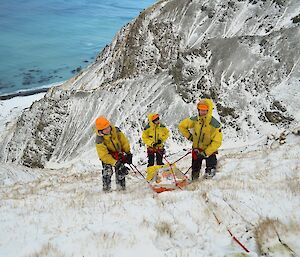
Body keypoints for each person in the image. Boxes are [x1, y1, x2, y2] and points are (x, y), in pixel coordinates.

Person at [178, 99, 223, 179]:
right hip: (197, 150)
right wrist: (190, 137)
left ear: (208, 110)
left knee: (210, 172)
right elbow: (181, 126)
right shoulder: (195, 120)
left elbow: (217, 142)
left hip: (209, 152)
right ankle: (194, 186)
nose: (202, 112)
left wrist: (205, 153)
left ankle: (207, 187)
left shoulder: (215, 125)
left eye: (204, 110)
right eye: (200, 109)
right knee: (195, 171)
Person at [95, 116, 132, 192]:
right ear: (100, 130)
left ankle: (121, 189)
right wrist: (115, 163)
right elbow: (104, 155)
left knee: (121, 171)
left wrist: (128, 153)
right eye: (105, 129)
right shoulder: (99, 140)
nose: (108, 129)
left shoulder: (116, 130)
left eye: (108, 127)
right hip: (107, 157)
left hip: (118, 154)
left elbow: (124, 142)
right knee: (107, 172)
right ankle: (106, 189)